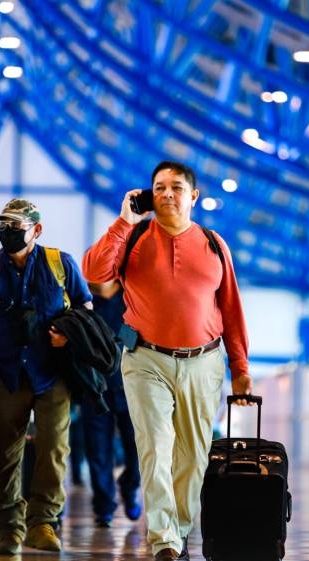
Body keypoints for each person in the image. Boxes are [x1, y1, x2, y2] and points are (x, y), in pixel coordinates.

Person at [83, 160, 253, 561]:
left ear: (193, 196)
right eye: (158, 187)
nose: (166, 195)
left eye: (176, 188)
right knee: (155, 447)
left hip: (203, 363)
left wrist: (241, 369)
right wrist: (123, 221)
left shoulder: (214, 244)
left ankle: (178, 526)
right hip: (145, 361)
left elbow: (231, 308)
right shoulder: (134, 236)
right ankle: (164, 540)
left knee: (193, 455)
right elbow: (94, 269)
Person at [0, 198, 92, 555]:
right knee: (3, 453)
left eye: (15, 226)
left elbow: (86, 308)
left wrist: (70, 334)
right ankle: (9, 528)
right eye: (3, 226)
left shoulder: (61, 265)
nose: (7, 232)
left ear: (36, 230)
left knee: (55, 447)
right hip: (4, 374)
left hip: (53, 373)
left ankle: (42, 521)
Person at [82, 280, 142, 528]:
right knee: (98, 450)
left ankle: (130, 488)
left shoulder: (133, 296)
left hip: (131, 387)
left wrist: (112, 345)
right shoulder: (81, 300)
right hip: (94, 387)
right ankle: (104, 506)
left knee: (138, 448)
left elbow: (137, 335)